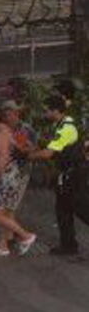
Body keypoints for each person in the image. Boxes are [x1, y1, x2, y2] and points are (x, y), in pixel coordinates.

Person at [29, 95, 88, 256]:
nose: (44, 113)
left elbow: (48, 153)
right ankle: (68, 246)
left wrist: (27, 156)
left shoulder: (67, 128)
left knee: (82, 209)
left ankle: (69, 245)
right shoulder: (61, 124)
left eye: (47, 110)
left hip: (74, 175)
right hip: (68, 174)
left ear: (56, 110)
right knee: (63, 210)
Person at [0, 104, 36, 257]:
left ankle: (25, 236)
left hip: (7, 178)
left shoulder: (2, 134)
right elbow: (23, 147)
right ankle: (3, 246)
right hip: (12, 177)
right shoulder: (9, 131)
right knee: (7, 213)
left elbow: (3, 160)